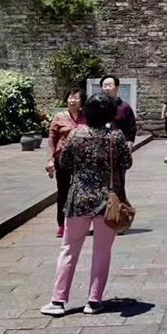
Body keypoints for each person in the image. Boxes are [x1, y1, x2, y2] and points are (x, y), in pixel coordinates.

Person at [41, 93, 133, 317]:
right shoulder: (115, 136)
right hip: (107, 201)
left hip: (79, 198)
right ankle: (93, 300)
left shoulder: (76, 134)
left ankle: (58, 300)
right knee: (102, 252)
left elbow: (65, 162)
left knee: (68, 250)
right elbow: (126, 162)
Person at [47, 85, 86, 239]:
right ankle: (62, 224)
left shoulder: (86, 116)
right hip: (62, 160)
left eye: (76, 98)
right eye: (70, 97)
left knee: (81, 191)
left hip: (82, 161)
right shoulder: (59, 117)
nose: (72, 100)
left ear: (81, 101)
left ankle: (79, 222)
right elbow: (52, 140)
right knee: (63, 191)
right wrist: (50, 160)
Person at [97, 75, 137, 145]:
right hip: (100, 145)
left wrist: (129, 145)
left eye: (110, 85)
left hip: (120, 146)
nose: (107, 88)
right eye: (105, 86)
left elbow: (131, 129)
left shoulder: (125, 107)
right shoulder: (96, 107)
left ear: (117, 88)